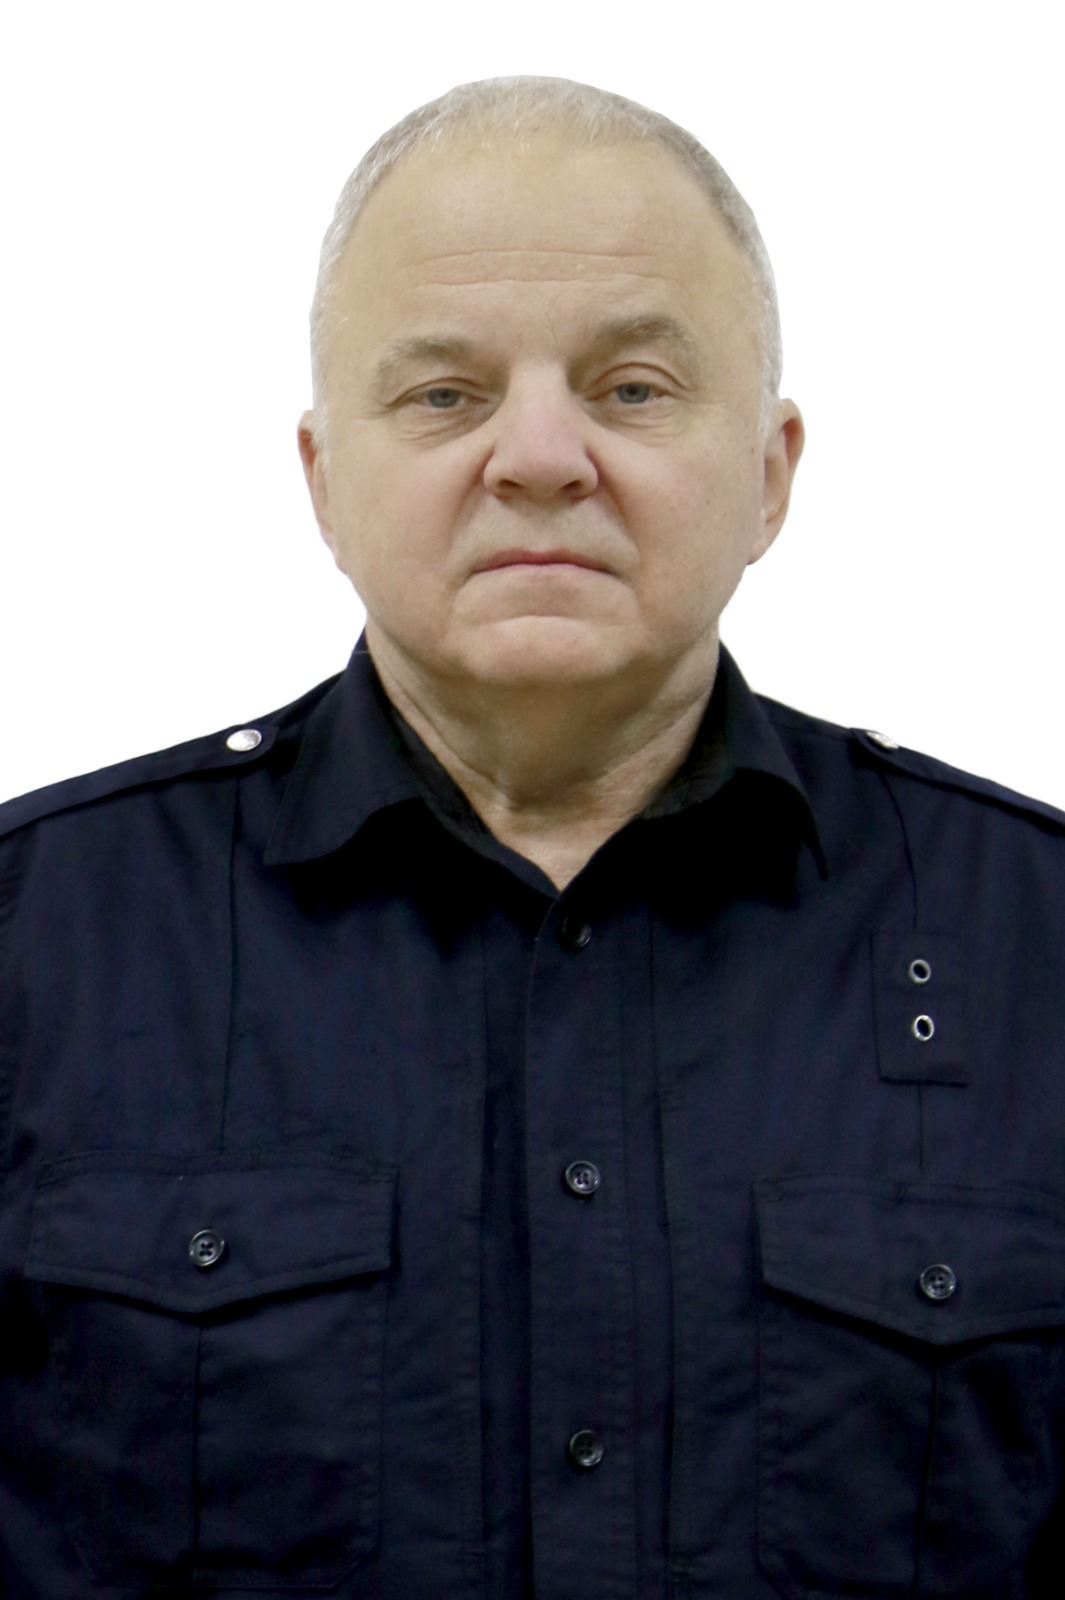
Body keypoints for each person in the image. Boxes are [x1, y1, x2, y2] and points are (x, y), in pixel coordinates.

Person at [0, 76, 1062, 1600]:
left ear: (770, 474)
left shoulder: (1034, 943)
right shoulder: (38, 941)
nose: (541, 456)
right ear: (321, 478)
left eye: (631, 389)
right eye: (445, 395)